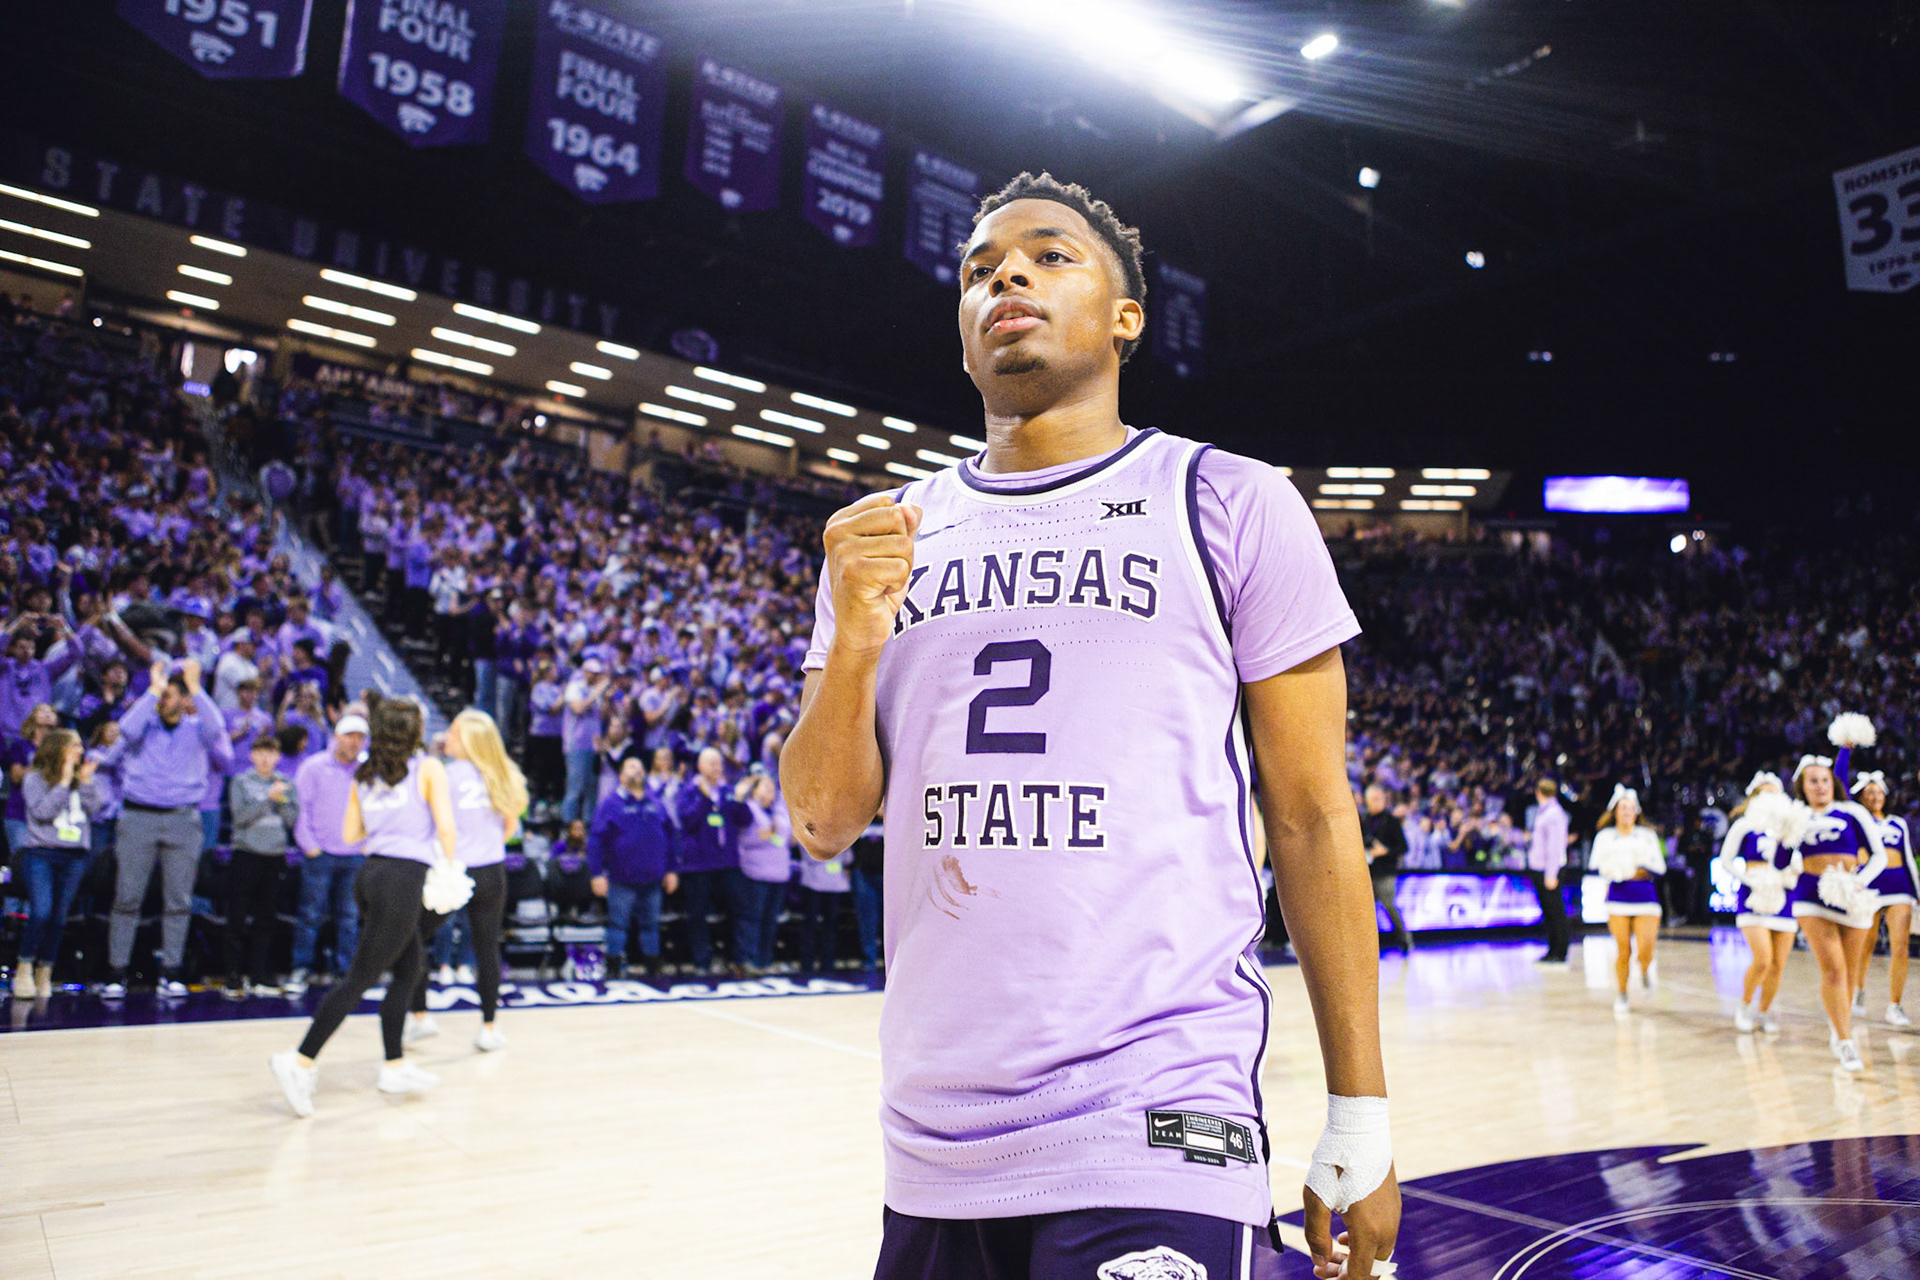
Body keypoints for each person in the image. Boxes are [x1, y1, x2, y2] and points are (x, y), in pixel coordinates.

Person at [781, 174, 1398, 1279]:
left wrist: (1361, 1112)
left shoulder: (1228, 499)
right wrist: (861, 631)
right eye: (978, 268)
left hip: (1157, 1115)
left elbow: (1309, 816)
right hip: (933, 1142)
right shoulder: (885, 537)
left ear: (1128, 318)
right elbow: (823, 820)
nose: (1005, 274)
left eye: (1049, 255)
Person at [270, 699, 458, 1116]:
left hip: (371, 874)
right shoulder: (427, 768)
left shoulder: (364, 774)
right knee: (359, 978)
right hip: (403, 879)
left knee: (410, 969)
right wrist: (449, 868)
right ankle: (299, 1060)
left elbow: (352, 831)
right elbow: (446, 827)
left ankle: (394, 1065)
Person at [104, 659, 233, 998]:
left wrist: (196, 687)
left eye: (170, 694)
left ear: (184, 699)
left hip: (182, 818)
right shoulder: (143, 724)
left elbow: (217, 727)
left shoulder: (196, 728)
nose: (165, 700)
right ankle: (117, 972)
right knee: (127, 897)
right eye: (163, 695)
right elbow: (125, 730)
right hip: (138, 817)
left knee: (178, 900)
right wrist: (152, 689)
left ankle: (171, 970)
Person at [406, 708, 525, 1051]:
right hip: (492, 869)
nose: (449, 738)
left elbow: (435, 825)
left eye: (455, 733)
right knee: (487, 947)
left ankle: (420, 1016)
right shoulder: (504, 774)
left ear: (470, 738)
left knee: (412, 935)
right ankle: (489, 1028)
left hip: (454, 870)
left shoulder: (446, 774)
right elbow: (509, 829)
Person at [1784, 754, 1884, 1072]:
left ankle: (1837, 1024)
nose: (1821, 786)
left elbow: (1879, 855)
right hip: (1810, 895)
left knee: (1851, 975)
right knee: (1834, 970)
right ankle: (1845, 1041)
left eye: (1825, 779)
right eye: (1813, 780)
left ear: (1834, 782)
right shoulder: (1794, 816)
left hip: (1851, 895)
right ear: (1802, 785)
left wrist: (1859, 882)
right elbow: (1780, 858)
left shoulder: (1852, 811)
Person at [13, 728, 105, 999]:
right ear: (58, 749)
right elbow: (42, 812)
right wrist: (64, 782)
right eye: (74, 745)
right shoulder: (34, 778)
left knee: (59, 918)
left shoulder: (82, 778)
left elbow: (95, 807)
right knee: (41, 911)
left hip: (74, 855)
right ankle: (24, 966)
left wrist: (85, 782)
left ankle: (45, 971)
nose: (81, 750)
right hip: (41, 853)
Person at [286, 711, 369, 994]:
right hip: (320, 853)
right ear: (336, 737)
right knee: (310, 914)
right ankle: (301, 967)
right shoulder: (313, 767)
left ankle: (346, 971)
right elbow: (300, 810)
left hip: (355, 854)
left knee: (349, 916)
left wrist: (367, 844)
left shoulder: (366, 771)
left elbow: (373, 809)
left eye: (360, 738)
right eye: (349, 736)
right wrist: (309, 846)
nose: (354, 743)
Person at [1717, 771, 1797, 1034]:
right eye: (1765, 792)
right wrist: (1749, 880)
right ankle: (1744, 1006)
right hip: (1754, 895)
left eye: (1775, 791)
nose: (1771, 797)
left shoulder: (1789, 826)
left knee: (1778, 965)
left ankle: (1764, 1011)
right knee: (1763, 959)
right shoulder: (1745, 825)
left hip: (1784, 894)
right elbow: (1726, 859)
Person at [224, 730, 301, 998]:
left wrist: (281, 801)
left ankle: (259, 974)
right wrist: (267, 797)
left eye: (271, 754)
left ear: (278, 757)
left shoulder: (287, 783)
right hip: (246, 853)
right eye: (261, 754)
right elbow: (240, 817)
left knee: (266, 917)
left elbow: (292, 821)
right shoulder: (241, 781)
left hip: (274, 856)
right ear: (252, 756)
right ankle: (233, 974)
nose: (266, 759)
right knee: (237, 915)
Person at [588, 756, 678, 978]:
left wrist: (672, 869)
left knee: (651, 925)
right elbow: (595, 841)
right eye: (630, 767)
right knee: (618, 925)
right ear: (620, 776)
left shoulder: (655, 801)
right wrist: (596, 873)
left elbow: (671, 834)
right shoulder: (610, 804)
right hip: (621, 878)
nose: (636, 770)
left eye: (640, 767)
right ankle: (613, 968)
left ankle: (653, 969)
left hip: (654, 877)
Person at [674, 747, 751, 974]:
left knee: (737, 911)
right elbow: (688, 821)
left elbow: (744, 819)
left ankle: (736, 959)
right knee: (697, 915)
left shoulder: (728, 790)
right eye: (711, 763)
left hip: (727, 863)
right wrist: (705, 798)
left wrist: (739, 800)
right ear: (699, 766)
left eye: (718, 763)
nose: (716, 768)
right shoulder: (688, 790)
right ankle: (702, 962)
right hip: (698, 865)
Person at [1590, 785, 1665, 1014]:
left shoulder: (1647, 835)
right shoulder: (1605, 836)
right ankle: (1622, 993)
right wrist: (1615, 870)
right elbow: (1595, 865)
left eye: (1630, 808)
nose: (1626, 812)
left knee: (1646, 945)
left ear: (1637, 811)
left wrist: (1640, 869)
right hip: (1618, 897)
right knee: (1623, 949)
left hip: (1645, 896)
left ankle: (1644, 970)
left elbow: (1660, 867)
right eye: (1622, 808)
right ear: (1614, 811)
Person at [1848, 770, 1912, 1028]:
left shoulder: (1898, 823)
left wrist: (1916, 892)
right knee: (1866, 944)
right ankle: (1859, 990)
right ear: (1862, 797)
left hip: (1899, 886)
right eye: (1869, 792)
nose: (1875, 796)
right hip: (1870, 887)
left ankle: (1895, 1005)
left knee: (1901, 945)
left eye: (1878, 792)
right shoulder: (1858, 822)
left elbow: (1907, 858)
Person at [733, 772, 793, 974]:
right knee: (752, 918)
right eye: (764, 786)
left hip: (779, 873)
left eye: (771, 787)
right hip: (755, 873)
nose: (770, 790)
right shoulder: (748, 808)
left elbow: (789, 839)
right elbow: (743, 838)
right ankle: (746, 960)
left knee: (770, 920)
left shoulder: (780, 810)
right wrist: (763, 836)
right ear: (755, 790)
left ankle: (764, 961)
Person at [794, 816, 852, 971]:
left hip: (835, 885)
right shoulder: (808, 824)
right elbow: (811, 854)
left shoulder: (842, 828)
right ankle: (807, 963)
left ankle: (828, 963)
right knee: (810, 924)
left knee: (830, 926)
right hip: (813, 883)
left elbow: (848, 857)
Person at [1360, 784, 1411, 953]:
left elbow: (1403, 847)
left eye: (1376, 799)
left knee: (1389, 904)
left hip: (1386, 871)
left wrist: (1385, 851)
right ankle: (1369, 946)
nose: (1373, 803)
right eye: (1370, 800)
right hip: (1367, 872)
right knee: (1364, 910)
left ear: (1383, 799)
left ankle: (1405, 940)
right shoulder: (1363, 819)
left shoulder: (1391, 821)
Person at [1525, 779, 1572, 963]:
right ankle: (1553, 949)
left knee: (1555, 911)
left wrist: (1551, 874)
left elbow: (1554, 847)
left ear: (1538, 792)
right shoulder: (1545, 812)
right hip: (1542, 868)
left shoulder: (1553, 814)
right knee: (1549, 911)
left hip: (1549, 870)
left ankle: (1559, 951)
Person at [561, 657, 609, 823]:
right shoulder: (575, 687)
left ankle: (589, 826)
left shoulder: (598, 692)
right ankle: (567, 826)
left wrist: (606, 698)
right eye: (593, 673)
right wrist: (596, 692)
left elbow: (601, 716)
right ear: (585, 672)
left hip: (593, 746)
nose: (595, 677)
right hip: (576, 745)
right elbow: (578, 708)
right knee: (575, 788)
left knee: (591, 788)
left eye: (598, 674)